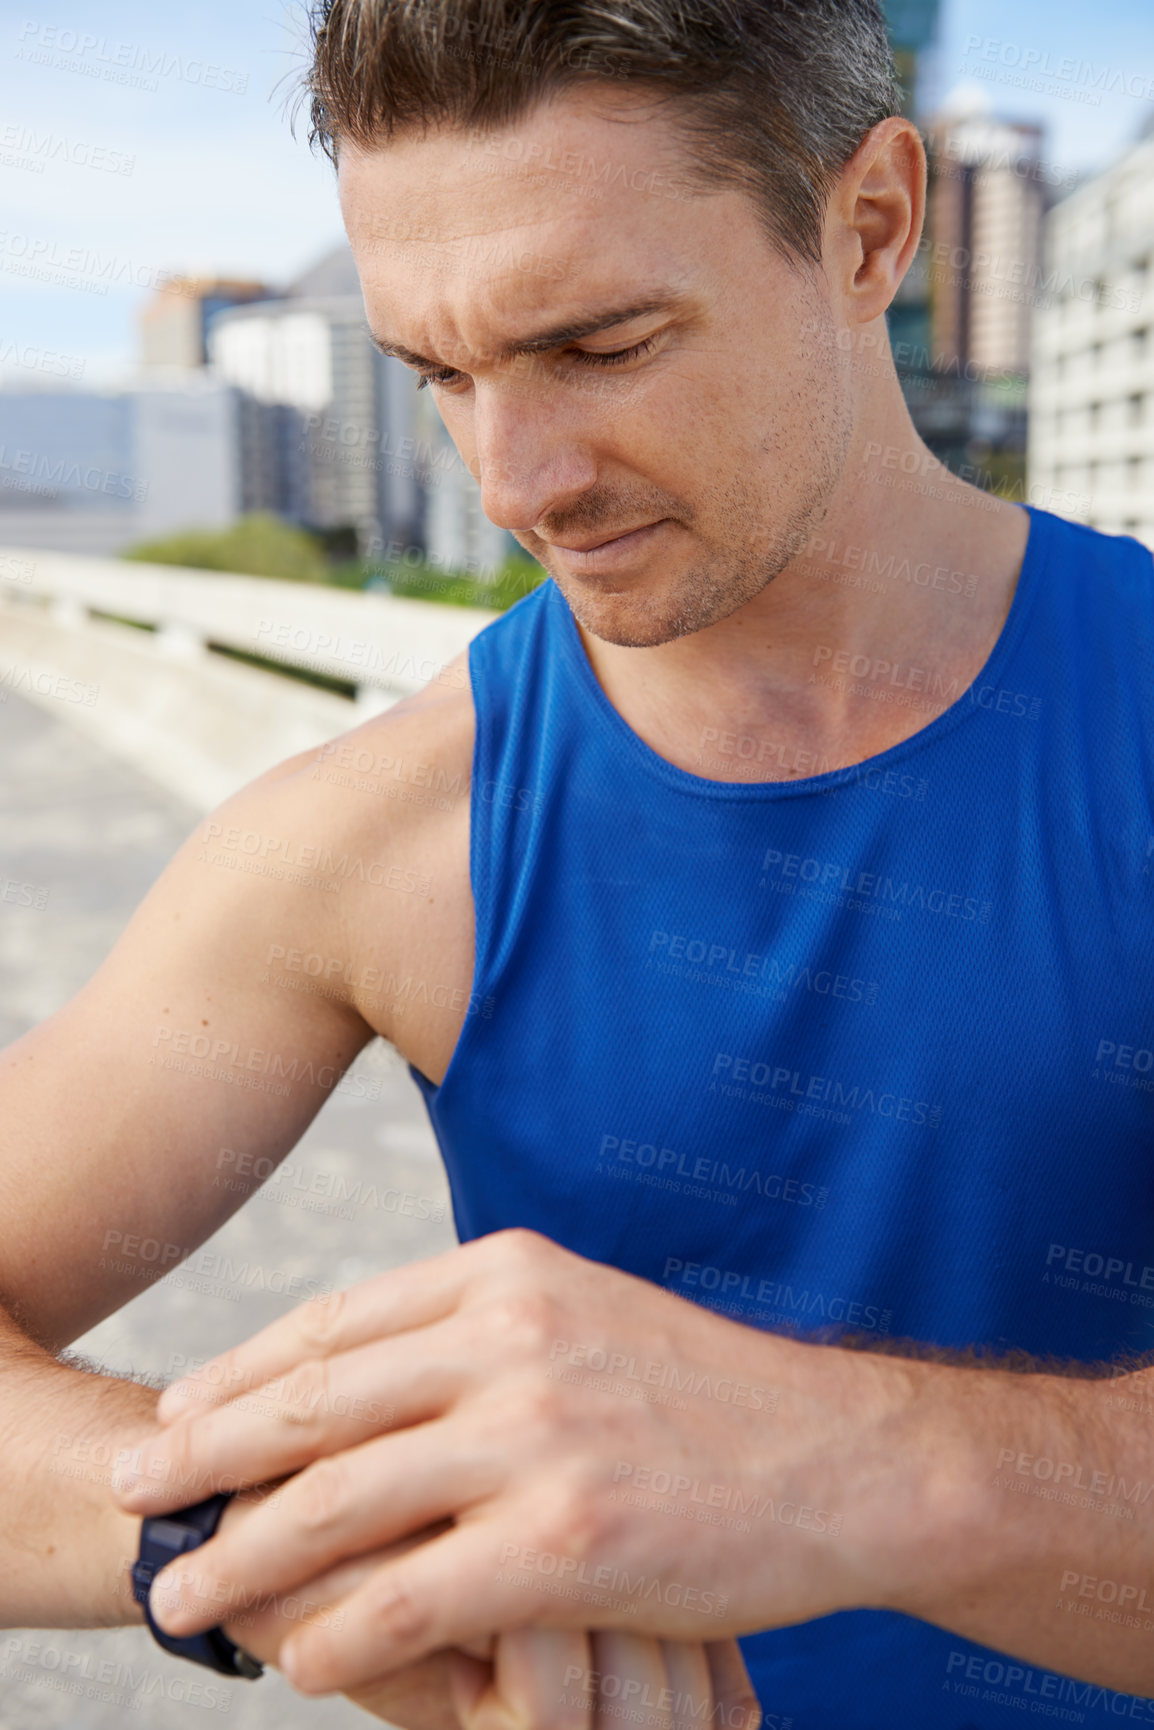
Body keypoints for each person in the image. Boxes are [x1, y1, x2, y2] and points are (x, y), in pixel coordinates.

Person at [2, 1, 1153, 1725]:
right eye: (438, 375)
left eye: (599, 344)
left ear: (869, 229)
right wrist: (281, 1527)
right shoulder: (371, 831)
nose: (515, 483)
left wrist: (841, 1462)